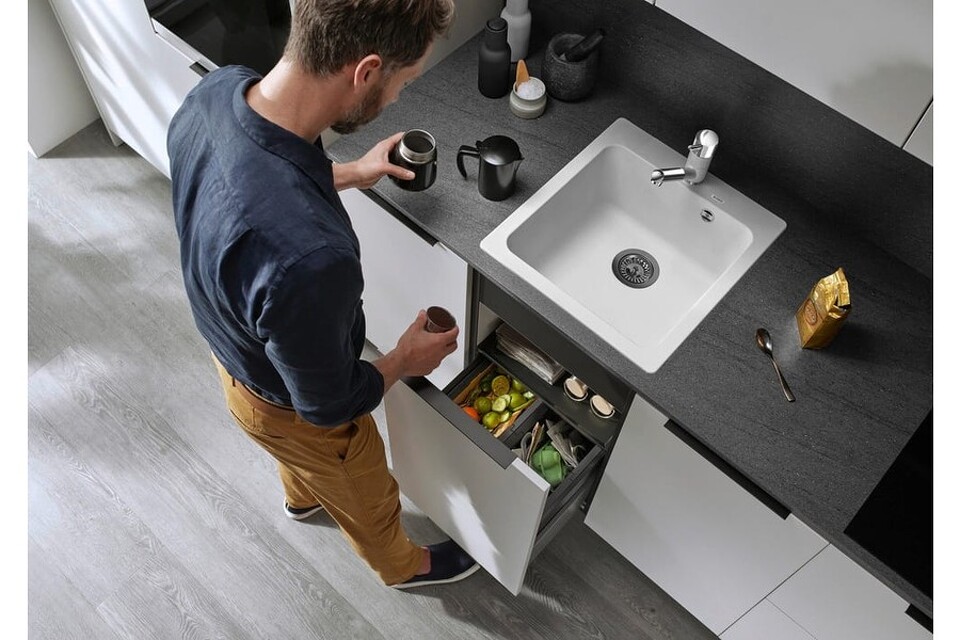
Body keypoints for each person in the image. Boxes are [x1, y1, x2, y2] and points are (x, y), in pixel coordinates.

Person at [166, 0, 479, 589]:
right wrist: (403, 359)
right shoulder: (311, 262)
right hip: (288, 407)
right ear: (367, 71)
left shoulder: (217, 92)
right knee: (361, 481)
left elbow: (257, 171)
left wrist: (352, 172)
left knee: (296, 454)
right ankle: (401, 566)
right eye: (404, 81)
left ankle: (303, 499)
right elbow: (329, 407)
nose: (397, 98)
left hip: (232, 355)